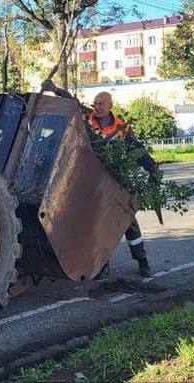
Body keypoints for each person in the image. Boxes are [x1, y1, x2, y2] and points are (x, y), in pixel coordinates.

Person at [41, 80, 155, 277]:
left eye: (101, 104)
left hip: (114, 182)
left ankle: (142, 260)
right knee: (95, 225)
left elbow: (137, 149)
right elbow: (73, 102)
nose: (97, 107)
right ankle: (102, 265)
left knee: (128, 221)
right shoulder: (87, 118)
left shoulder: (122, 128)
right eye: (95, 104)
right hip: (91, 181)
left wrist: (151, 166)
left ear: (110, 105)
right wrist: (56, 90)